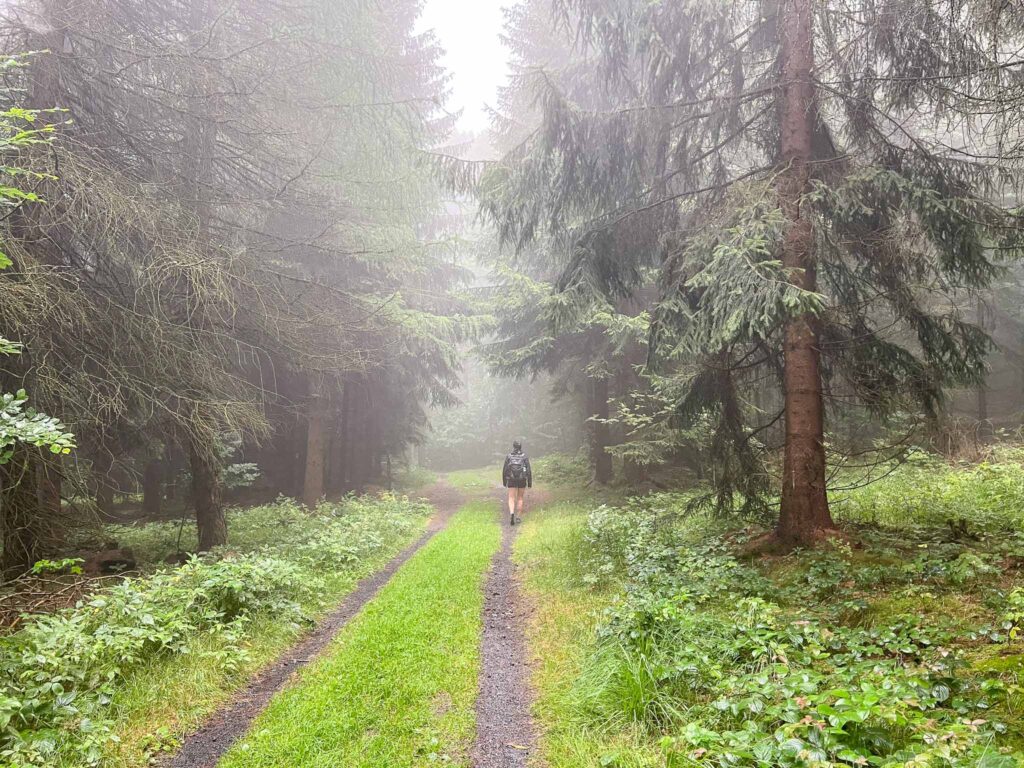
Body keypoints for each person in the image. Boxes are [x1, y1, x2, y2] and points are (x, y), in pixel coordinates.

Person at [502, 440, 532, 526]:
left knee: (511, 497)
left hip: (511, 479)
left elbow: (505, 470)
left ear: (513, 446)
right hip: (522, 479)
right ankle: (518, 517)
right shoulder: (524, 456)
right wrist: (529, 482)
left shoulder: (509, 456)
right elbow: (529, 470)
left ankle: (512, 513)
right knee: (520, 498)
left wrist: (505, 482)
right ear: (520, 447)